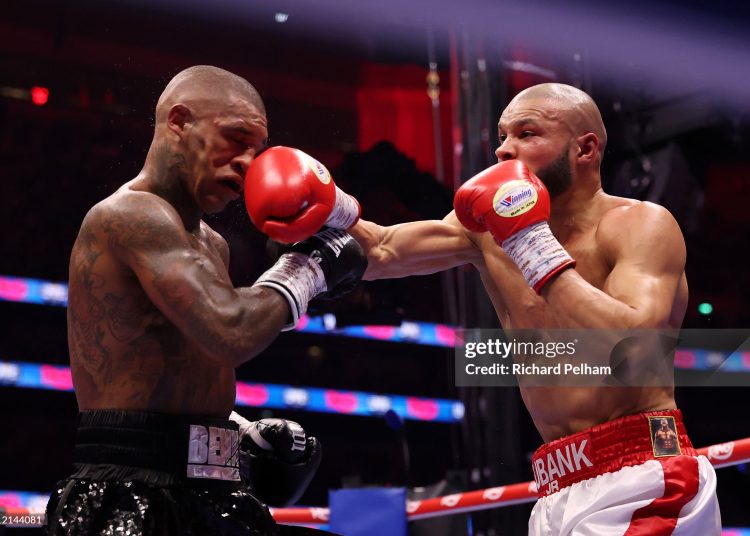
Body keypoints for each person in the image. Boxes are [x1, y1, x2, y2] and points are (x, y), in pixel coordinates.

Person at [247, 83, 720, 534]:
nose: (503, 149)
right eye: (502, 136)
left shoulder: (640, 224)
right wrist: (329, 204)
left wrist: (531, 245)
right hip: (558, 483)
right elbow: (386, 249)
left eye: (527, 133)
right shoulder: (487, 230)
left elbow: (632, 344)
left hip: (644, 473)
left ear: (586, 149)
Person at [46, 65, 366, 535]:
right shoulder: (131, 214)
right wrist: (308, 268)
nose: (247, 162)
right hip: (130, 488)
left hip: (209, 486)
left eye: (256, 150)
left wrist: (237, 434)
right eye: (235, 138)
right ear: (178, 122)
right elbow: (230, 330)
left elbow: (185, 359)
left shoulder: (212, 243)